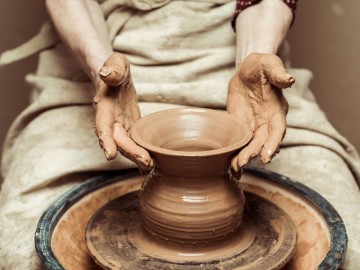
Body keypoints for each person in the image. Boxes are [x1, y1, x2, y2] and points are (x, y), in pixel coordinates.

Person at [0, 0, 359, 269]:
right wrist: (101, 69)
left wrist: (257, 54)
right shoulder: (102, 72)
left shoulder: (251, 73)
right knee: (19, 248)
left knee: (351, 244)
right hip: (102, 69)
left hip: (244, 78)